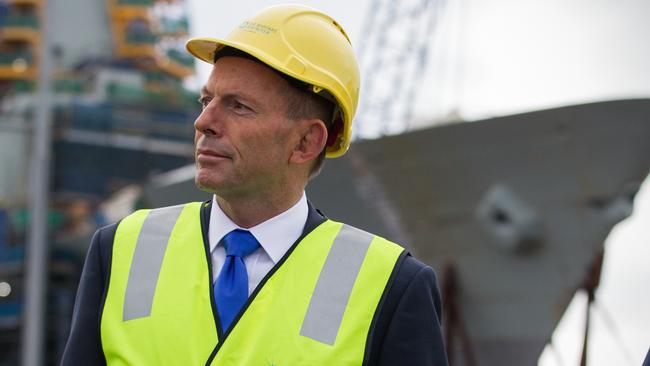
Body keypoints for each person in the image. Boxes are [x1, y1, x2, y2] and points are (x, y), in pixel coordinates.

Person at [61, 4, 448, 365]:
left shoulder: (391, 287)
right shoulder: (120, 249)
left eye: (238, 106)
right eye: (206, 100)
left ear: (306, 142)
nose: (204, 122)